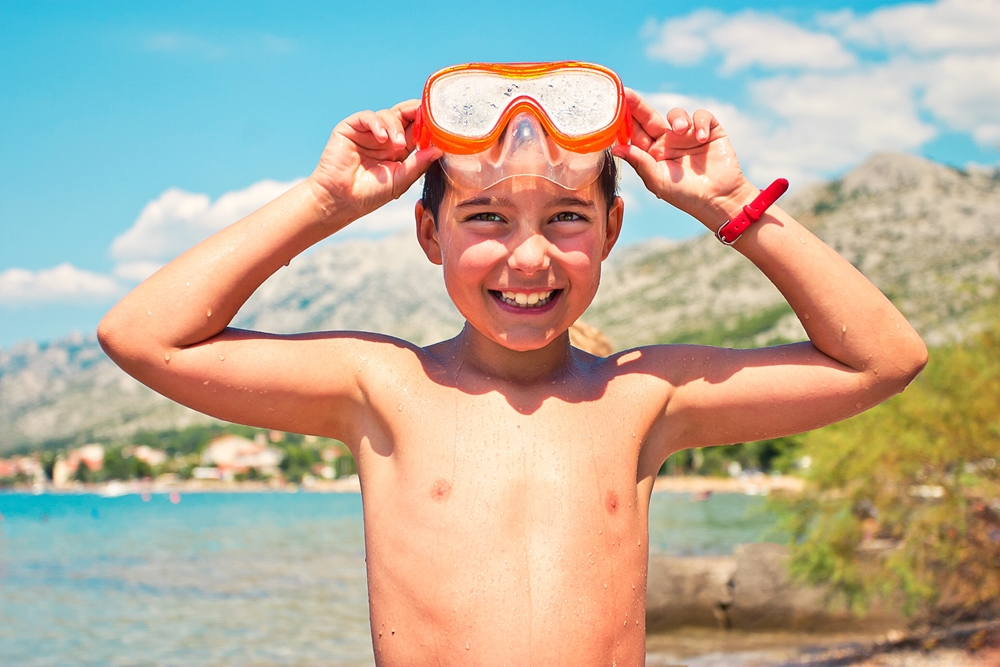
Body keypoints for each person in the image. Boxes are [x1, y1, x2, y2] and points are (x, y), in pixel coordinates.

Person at [98, 62, 927, 667]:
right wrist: (325, 202)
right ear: (429, 234)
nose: (528, 256)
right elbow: (144, 336)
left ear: (610, 230)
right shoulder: (382, 389)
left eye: (567, 217)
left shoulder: (641, 396)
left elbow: (883, 360)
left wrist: (727, 208)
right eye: (486, 215)